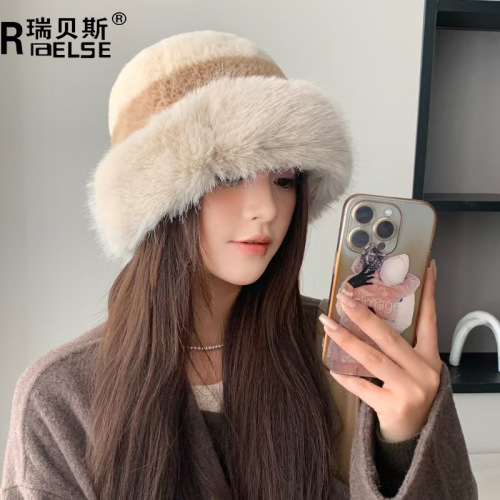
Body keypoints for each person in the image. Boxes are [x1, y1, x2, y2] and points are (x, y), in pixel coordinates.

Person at [1, 30, 477, 499]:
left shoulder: (342, 353)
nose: (267, 209)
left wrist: (405, 441)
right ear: (158, 203)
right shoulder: (60, 397)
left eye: (284, 180)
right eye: (228, 175)